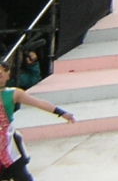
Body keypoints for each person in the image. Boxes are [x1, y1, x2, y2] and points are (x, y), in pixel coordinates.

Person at [0, 53, 74, 181]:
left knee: (23, 177)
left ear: (8, 74)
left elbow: (38, 103)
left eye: (1, 74)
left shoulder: (14, 93)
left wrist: (61, 112)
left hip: (9, 144)